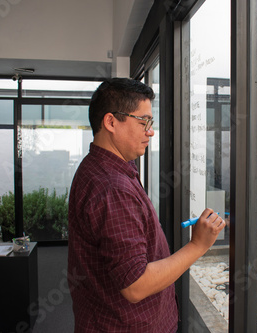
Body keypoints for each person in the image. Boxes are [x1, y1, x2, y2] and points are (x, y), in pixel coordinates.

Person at [67, 77, 225, 333]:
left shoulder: (98, 166)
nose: (150, 131)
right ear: (110, 122)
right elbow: (135, 285)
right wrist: (198, 245)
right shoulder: (112, 187)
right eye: (144, 122)